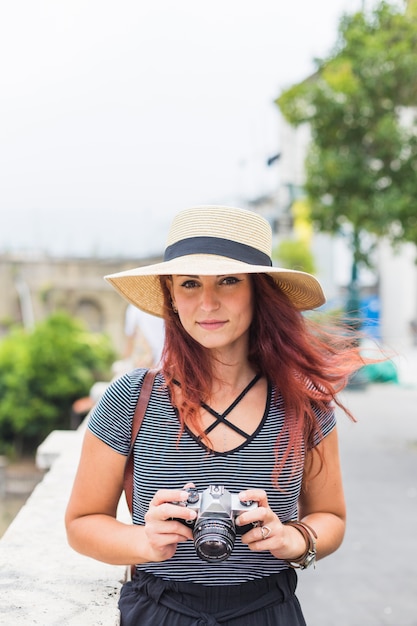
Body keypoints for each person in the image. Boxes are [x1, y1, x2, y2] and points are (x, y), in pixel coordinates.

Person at [65, 205, 365, 625]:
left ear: (259, 291)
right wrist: (144, 541)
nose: (208, 302)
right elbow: (81, 522)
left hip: (267, 611)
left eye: (228, 280)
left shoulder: (303, 403)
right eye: (189, 283)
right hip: (159, 610)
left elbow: (331, 517)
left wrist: (292, 538)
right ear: (171, 294)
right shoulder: (131, 399)